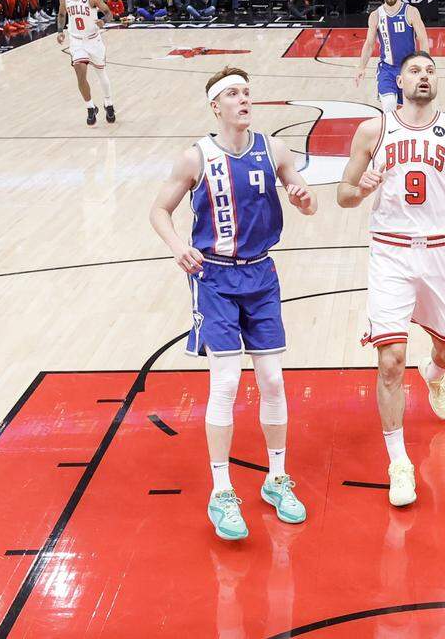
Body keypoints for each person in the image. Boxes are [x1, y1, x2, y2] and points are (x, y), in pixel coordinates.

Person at [148, 66, 318, 541]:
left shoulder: (274, 149)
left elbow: (308, 203)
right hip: (215, 279)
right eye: (234, 94)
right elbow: (159, 209)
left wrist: (304, 200)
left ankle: (277, 479)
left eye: (248, 92)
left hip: (262, 273)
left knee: (273, 378)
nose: (245, 99)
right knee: (225, 382)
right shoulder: (195, 157)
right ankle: (221, 489)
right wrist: (178, 246)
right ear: (215, 106)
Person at [336, 51, 445, 507]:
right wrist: (361, 189)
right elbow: (343, 195)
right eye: (415, 71)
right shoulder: (374, 129)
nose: (424, 76)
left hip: (443, 253)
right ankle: (399, 461)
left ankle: (436, 374)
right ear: (398, 80)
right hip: (392, 254)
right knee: (390, 362)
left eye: (430, 71)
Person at [354, 0, 429, 112]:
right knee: (389, 106)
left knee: (411, 109)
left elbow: (423, 39)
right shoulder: (375, 15)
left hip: (409, 68)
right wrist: (361, 67)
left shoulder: (411, 11)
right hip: (387, 69)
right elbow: (369, 43)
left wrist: (425, 64)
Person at [56, 0, 115, 127]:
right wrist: (60, 31)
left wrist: (104, 20)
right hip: (76, 41)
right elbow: (61, 15)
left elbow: (108, 13)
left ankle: (108, 103)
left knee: (101, 75)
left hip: (93, 40)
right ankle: (90, 107)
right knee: (80, 73)